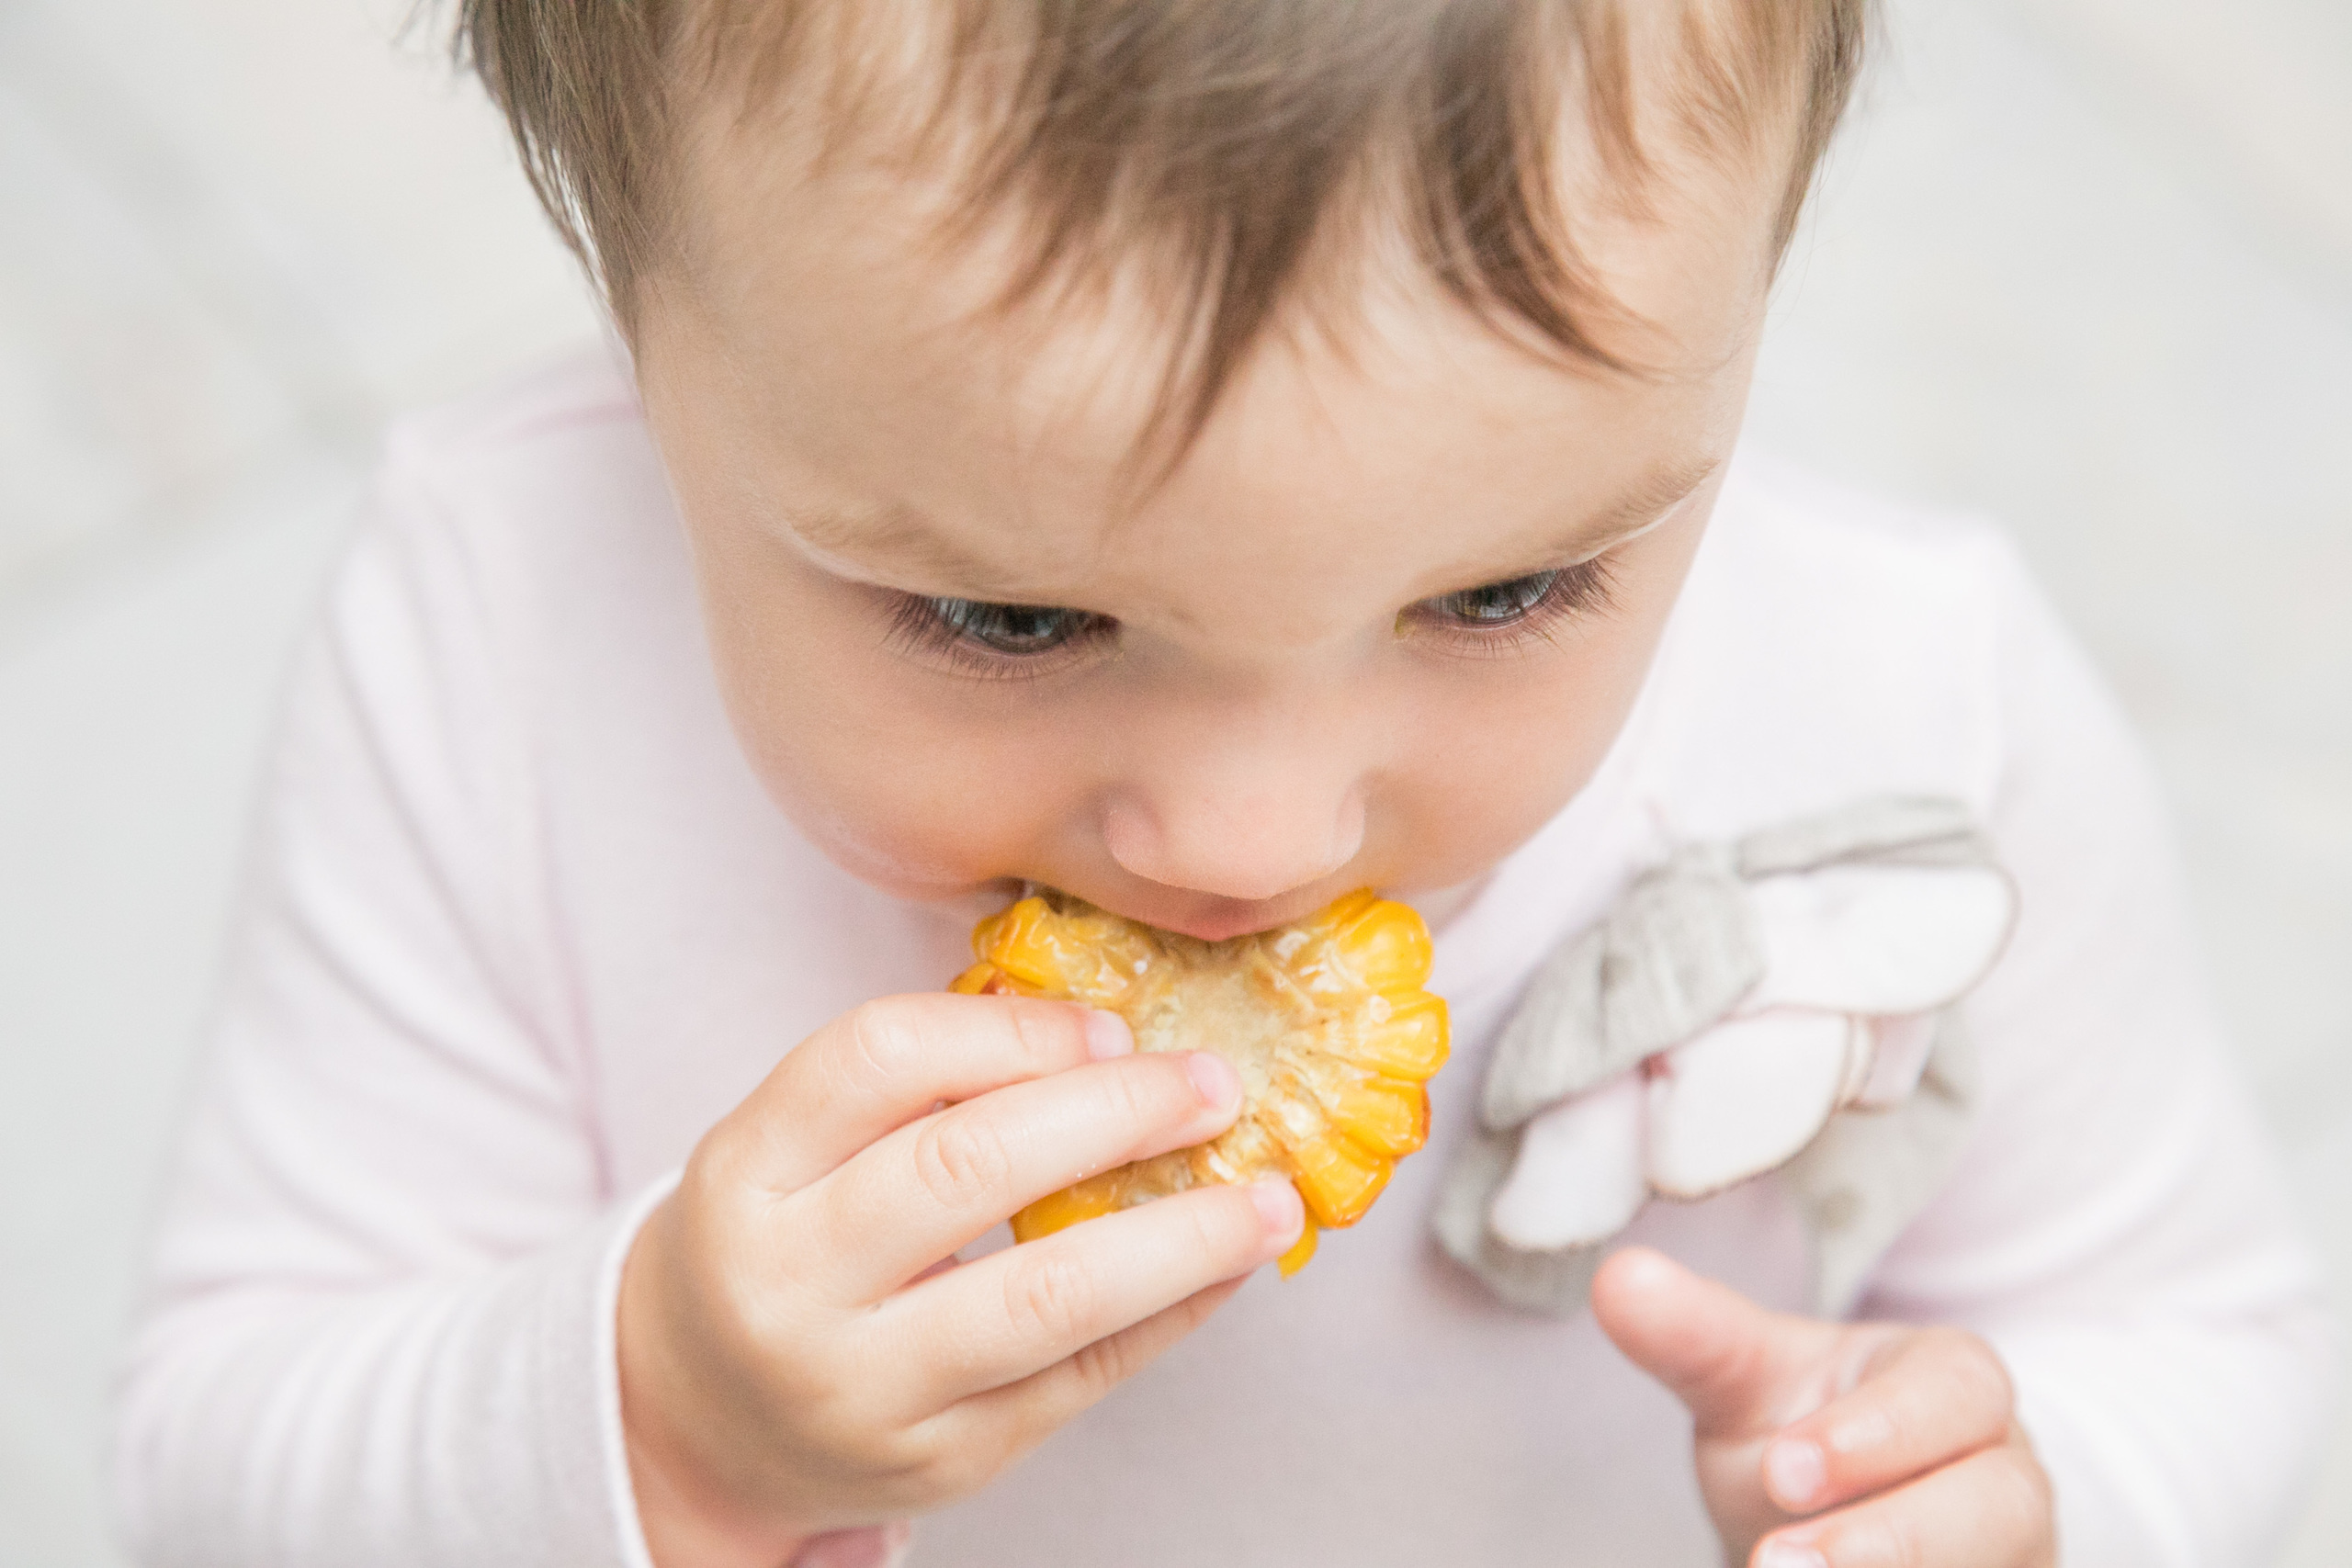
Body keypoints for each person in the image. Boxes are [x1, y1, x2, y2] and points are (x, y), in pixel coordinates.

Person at [108, 3, 2334, 1565]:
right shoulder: (500, 631)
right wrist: (652, 1412)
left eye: (1505, 588)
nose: (1252, 844)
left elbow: (2191, 1334)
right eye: (1005, 620)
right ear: (641, 319)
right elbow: (219, 1452)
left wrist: (2013, 1493)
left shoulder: (1913, 710)